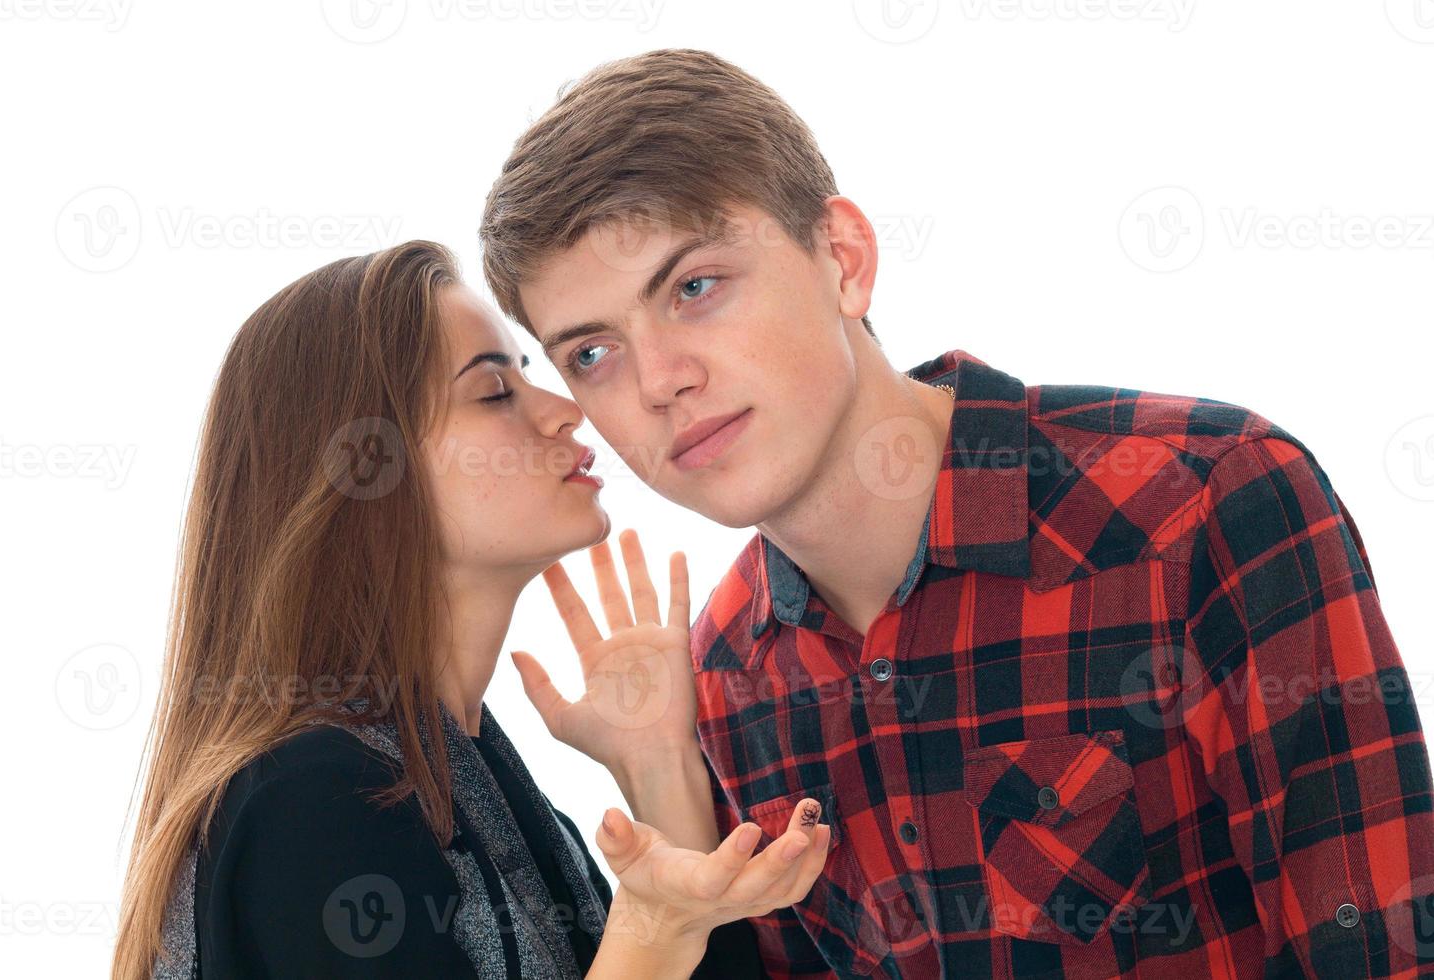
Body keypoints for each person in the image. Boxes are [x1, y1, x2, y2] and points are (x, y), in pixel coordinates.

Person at [478, 48, 1434, 978]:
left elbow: (1384, 947)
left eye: (694, 288)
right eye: (592, 353)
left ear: (844, 260)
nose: (658, 382)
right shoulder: (725, 673)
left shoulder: (1200, 500)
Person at [110, 241, 831, 979]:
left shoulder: (473, 782)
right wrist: (651, 927)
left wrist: (660, 772)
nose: (565, 412)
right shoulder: (309, 802)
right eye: (494, 392)